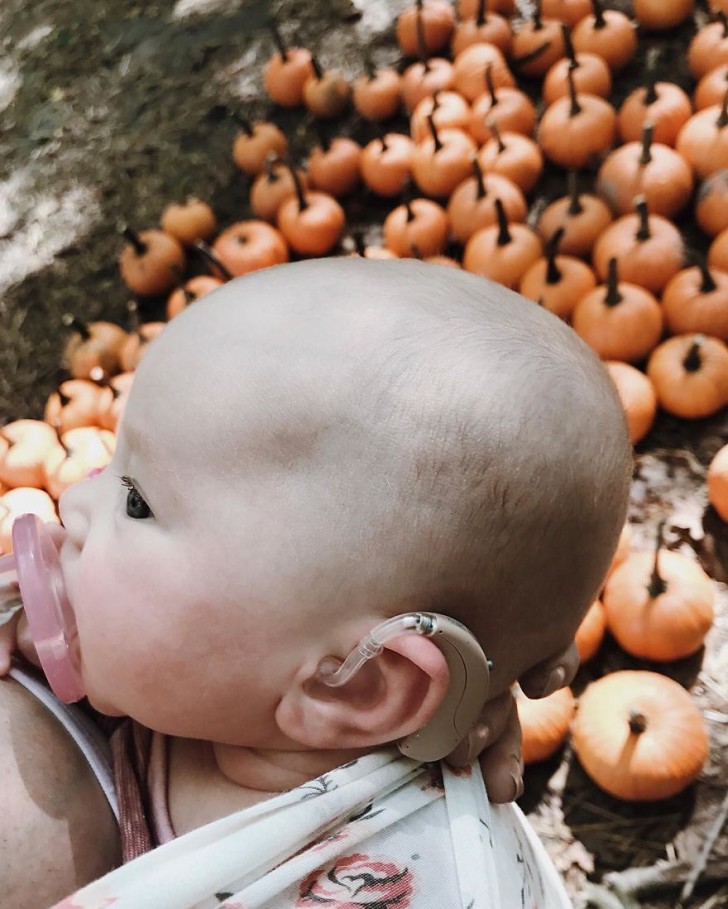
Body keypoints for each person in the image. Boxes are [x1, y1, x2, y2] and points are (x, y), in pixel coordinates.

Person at [0, 258, 631, 908]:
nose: (74, 500)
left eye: (136, 501)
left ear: (353, 684)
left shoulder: (399, 883)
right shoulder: (231, 693)